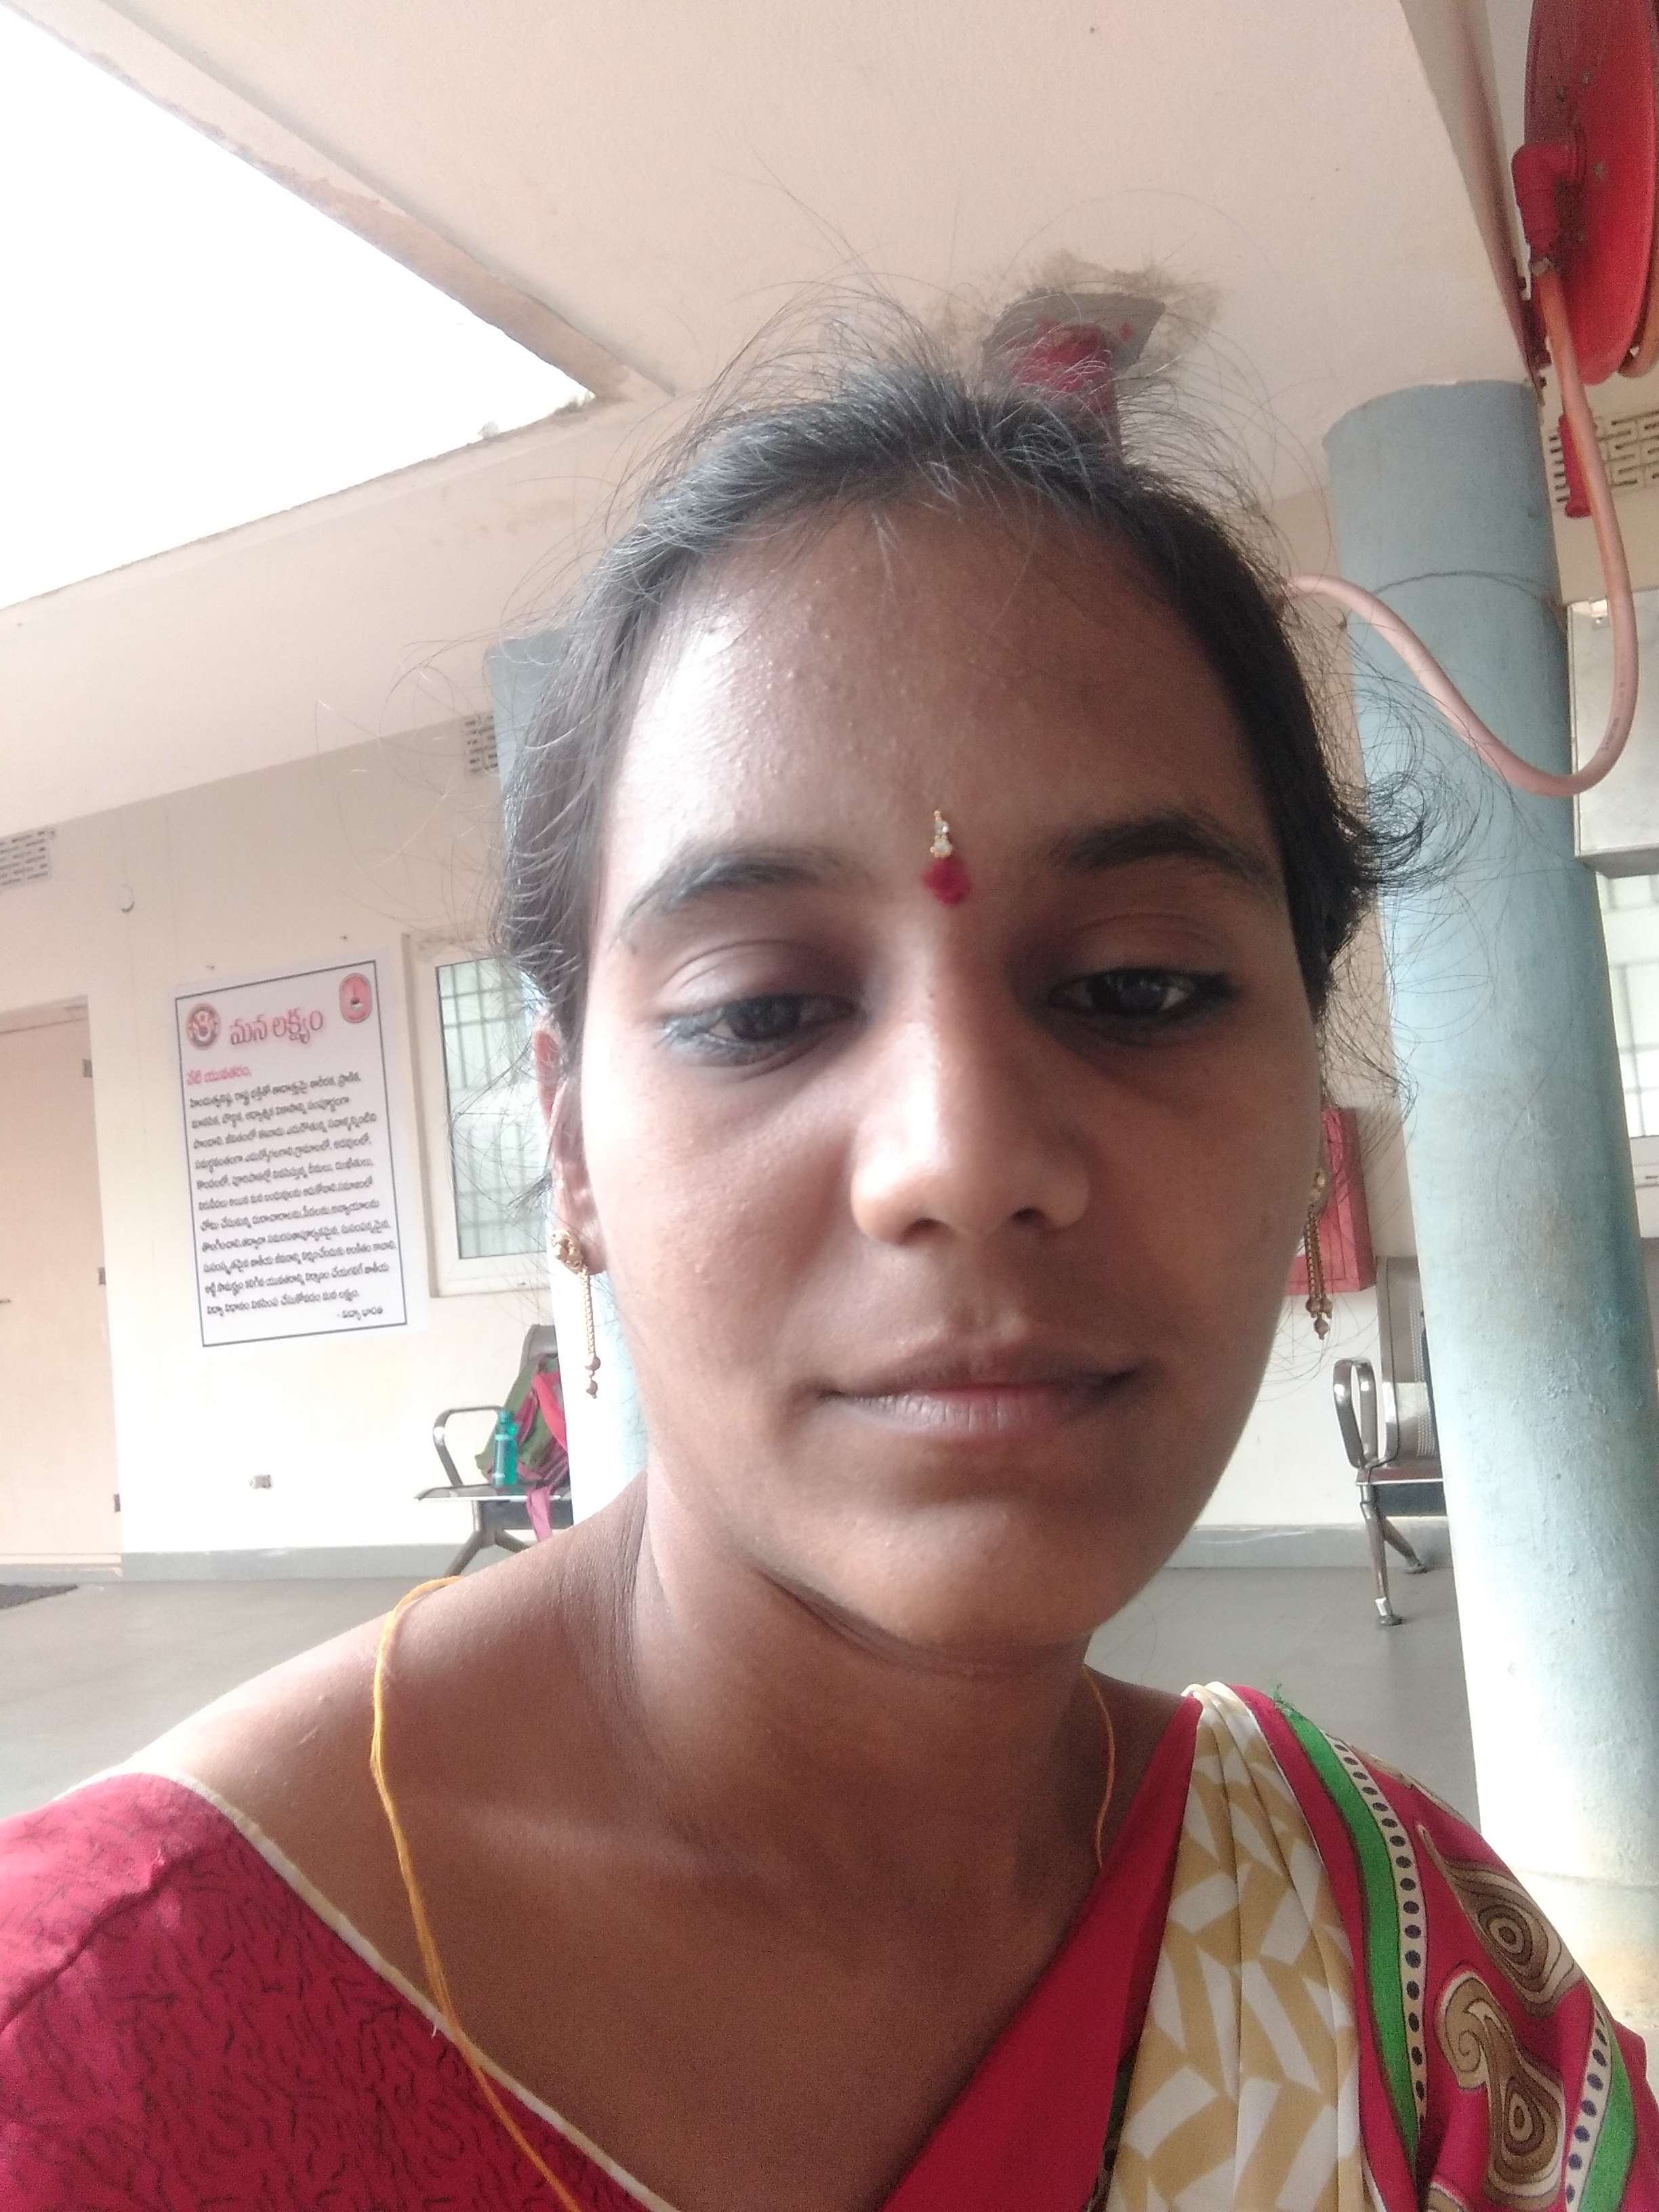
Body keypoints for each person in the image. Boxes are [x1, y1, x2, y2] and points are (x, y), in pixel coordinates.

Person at [2, 335, 1655, 2212]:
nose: (961, 1159)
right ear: (569, 1144)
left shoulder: (1397, 1980)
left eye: (1139, 987)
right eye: (762, 1010)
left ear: (1307, 1100)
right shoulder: (91, 2072)